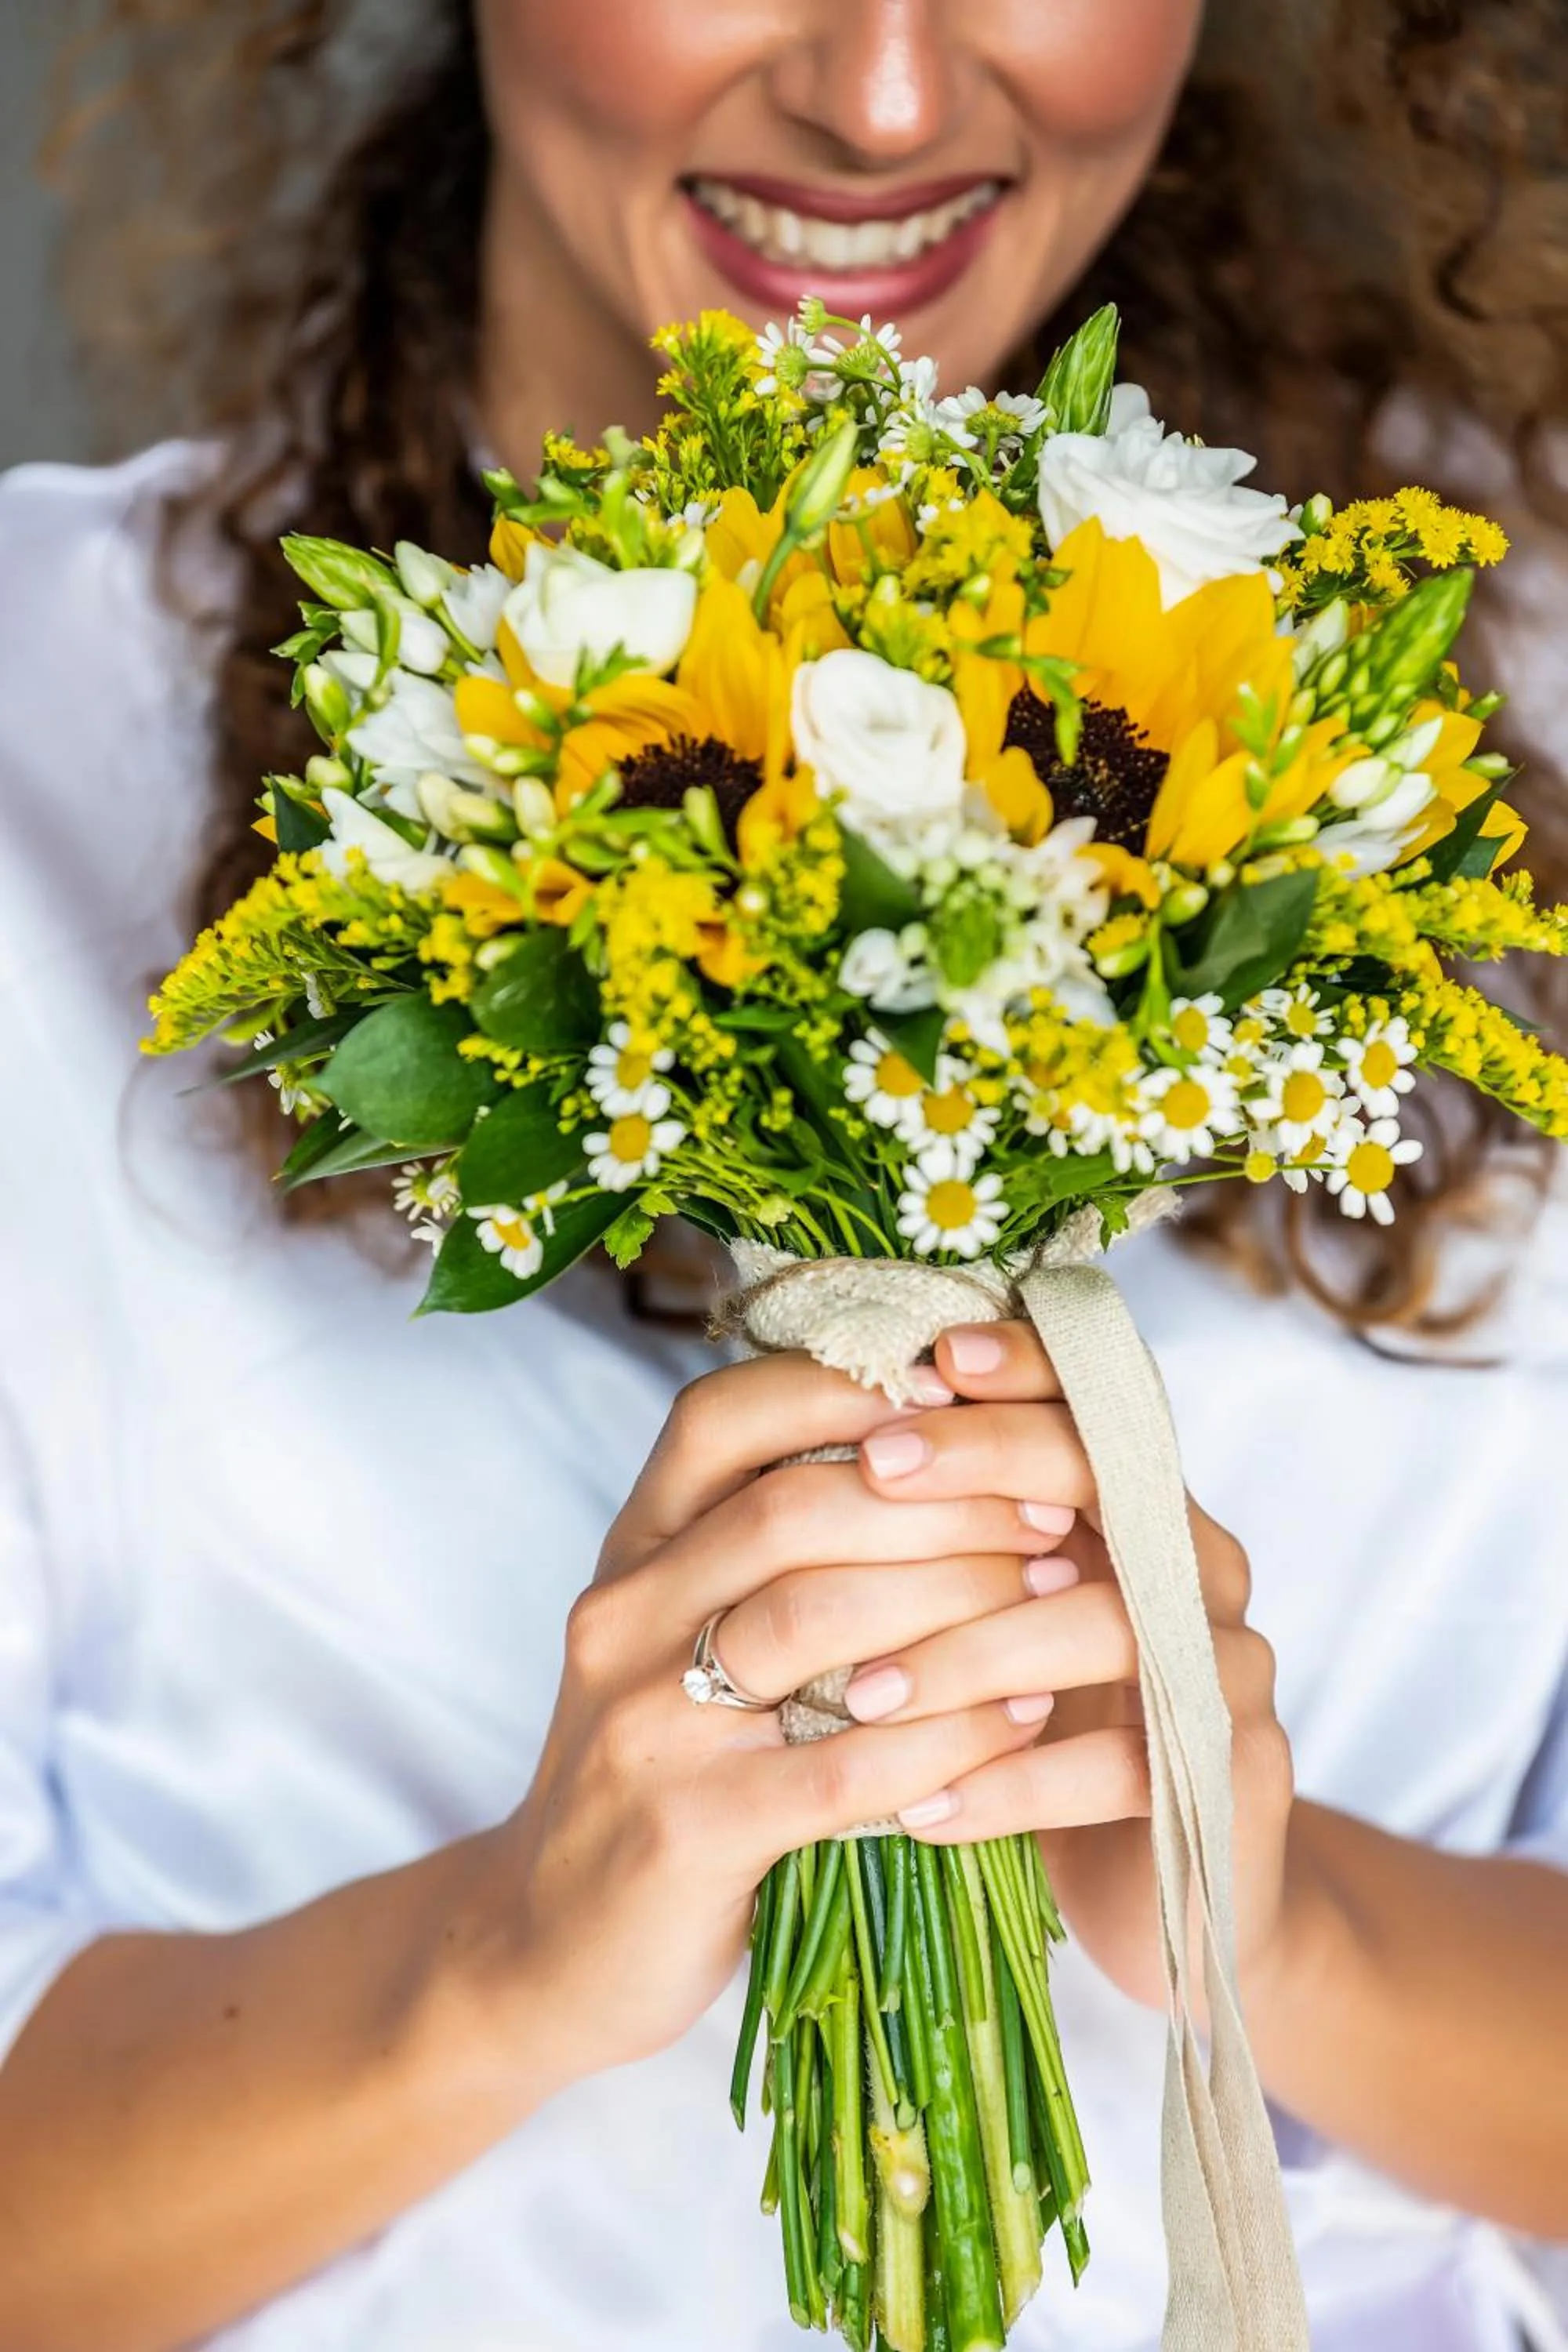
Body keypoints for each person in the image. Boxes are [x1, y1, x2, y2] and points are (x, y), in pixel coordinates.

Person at [1, 4, 1566, 2349]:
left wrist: (1281, 1920)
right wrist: (496, 1960)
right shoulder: (34, 751)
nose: (892, 100)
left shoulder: (1480, 694)